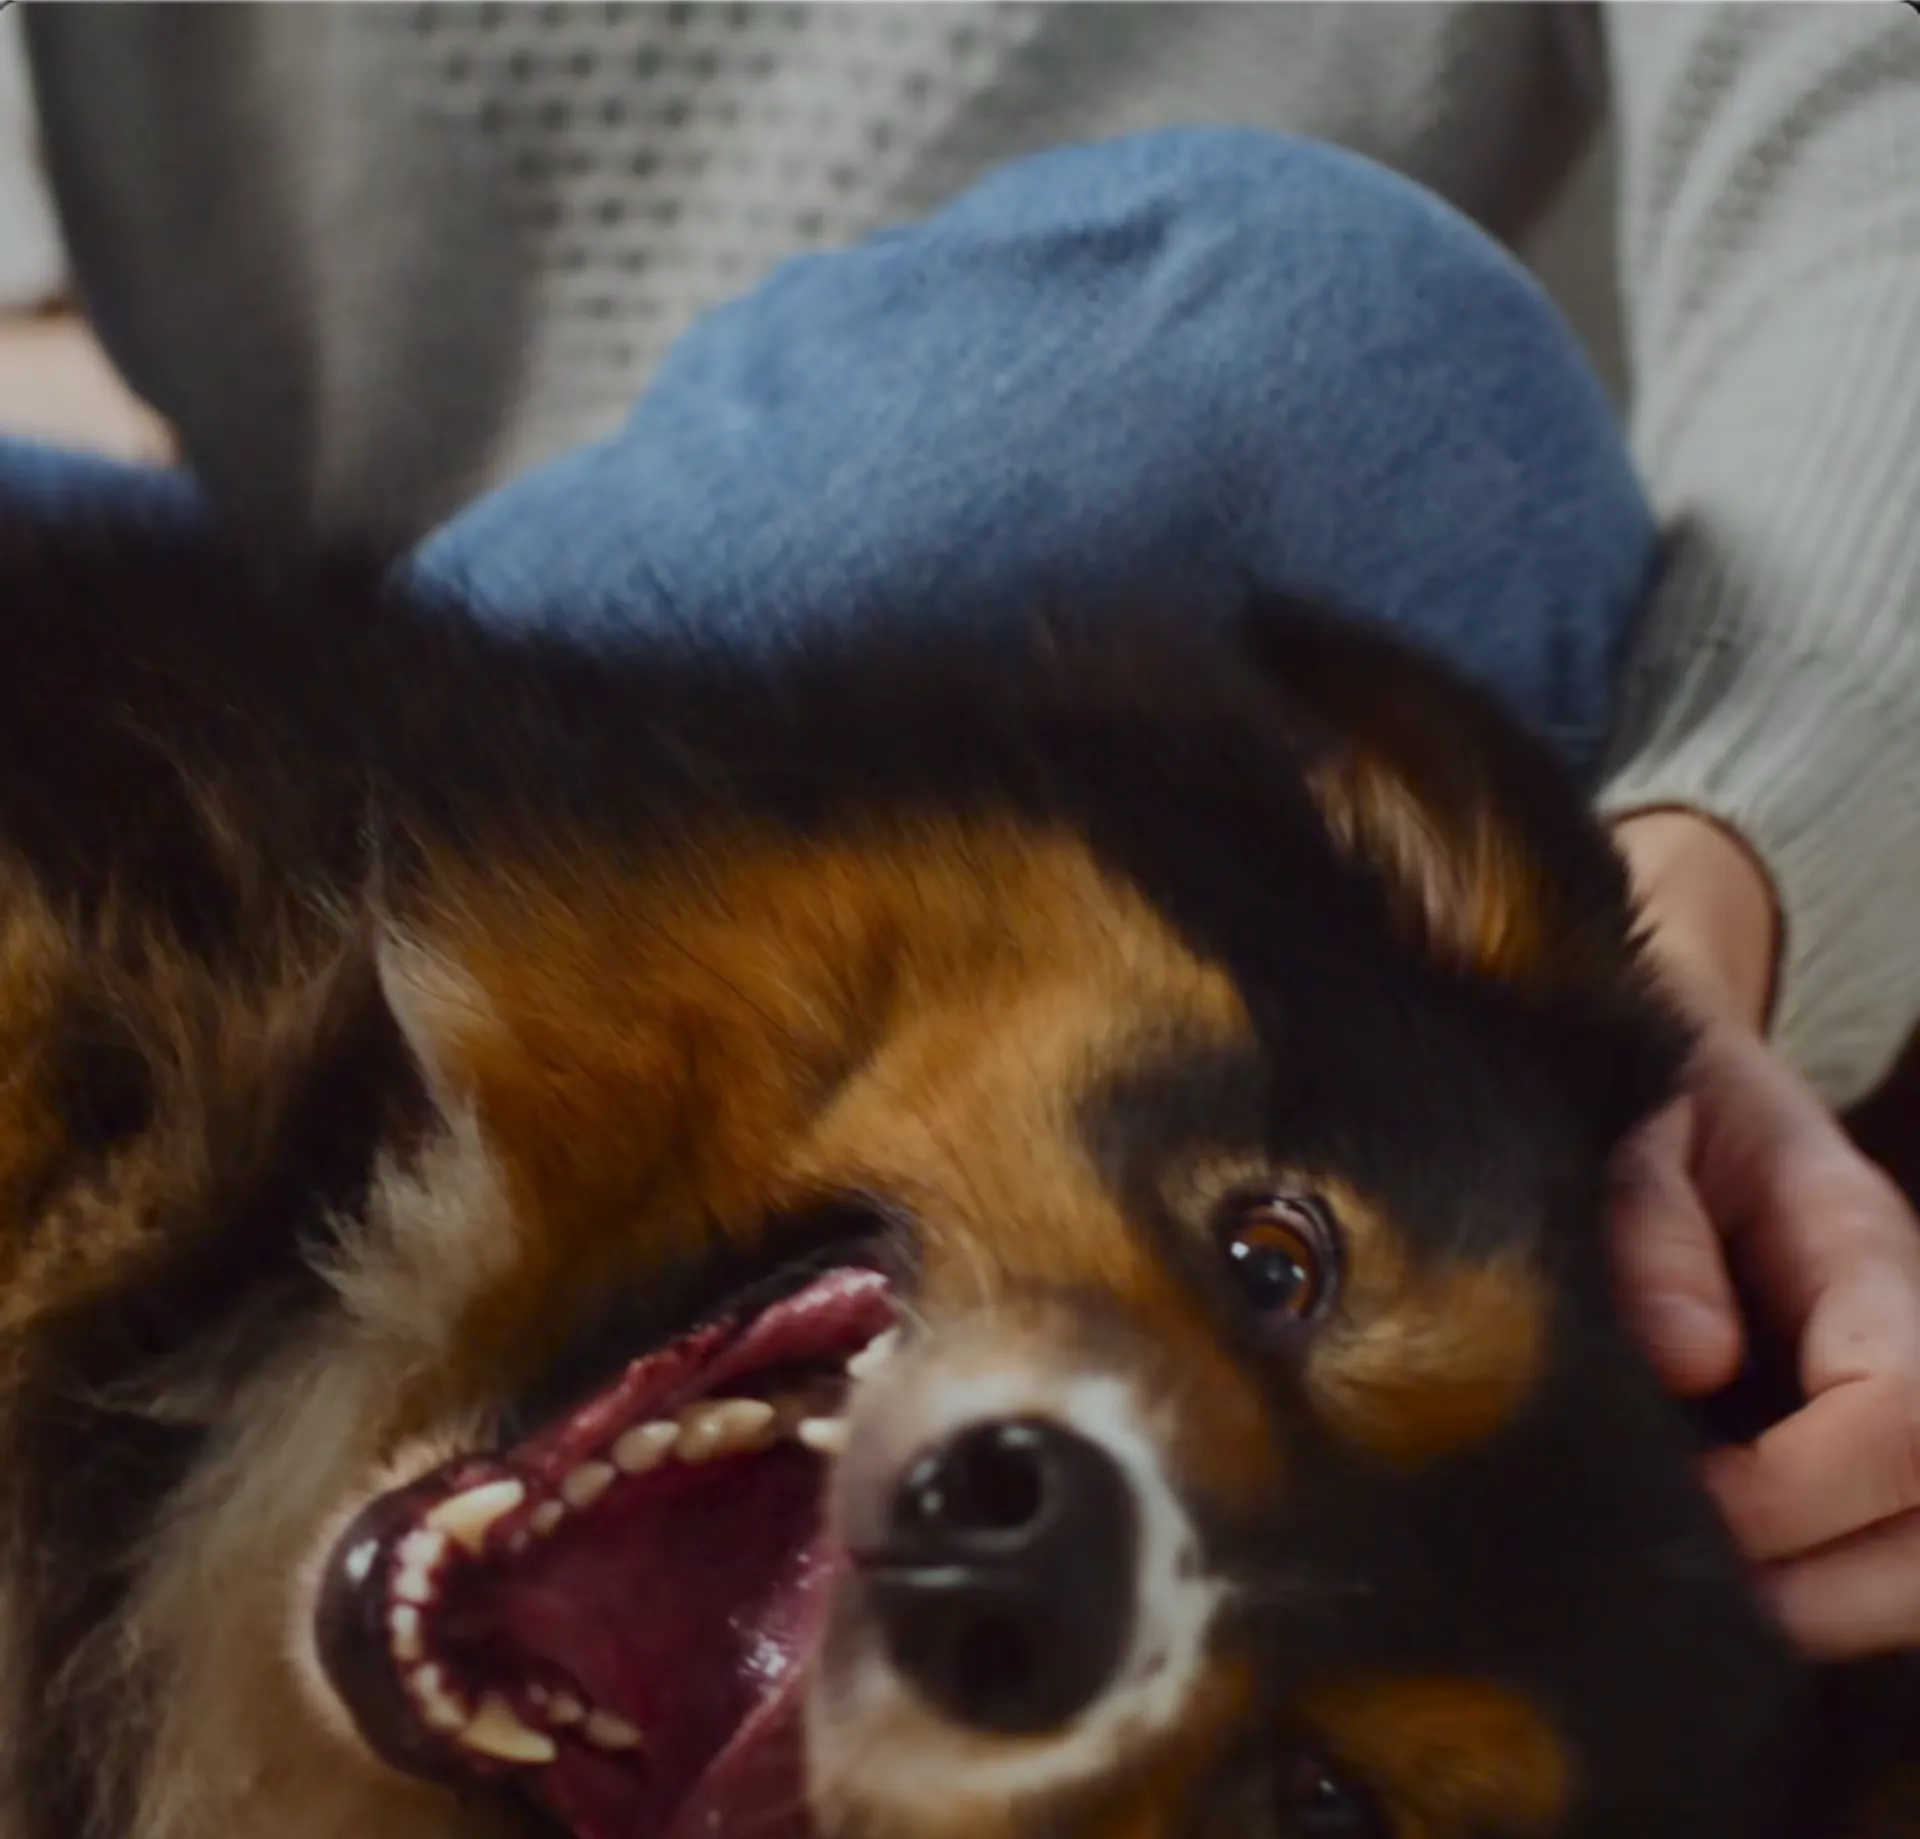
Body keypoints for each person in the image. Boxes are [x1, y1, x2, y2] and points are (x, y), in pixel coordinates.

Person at [12, 4, 1920, 1654]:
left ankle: (236, 1087)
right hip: (393, 644)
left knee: (1328, 359)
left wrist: (1718, 864)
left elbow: (1869, 144)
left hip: (1198, 694)